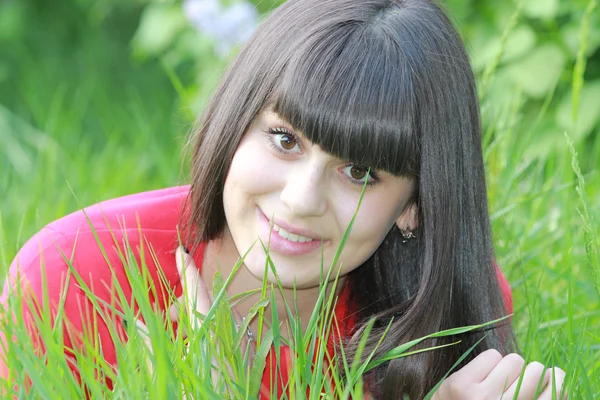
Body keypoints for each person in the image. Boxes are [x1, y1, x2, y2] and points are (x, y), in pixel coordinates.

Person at [1, 0, 566, 398]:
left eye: (360, 171)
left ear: (413, 206)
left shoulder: (440, 311)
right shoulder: (73, 277)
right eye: (284, 140)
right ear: (235, 121)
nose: (300, 200)